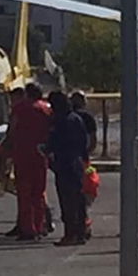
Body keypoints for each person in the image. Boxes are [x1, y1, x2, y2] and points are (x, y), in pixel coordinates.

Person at [46, 91, 88, 246]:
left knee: (67, 200)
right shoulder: (76, 118)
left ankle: (70, 234)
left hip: (64, 163)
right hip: (77, 162)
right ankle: (81, 232)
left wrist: (47, 149)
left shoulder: (61, 121)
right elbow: (84, 140)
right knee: (78, 199)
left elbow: (56, 142)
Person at [11, 83, 52, 241]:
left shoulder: (20, 108)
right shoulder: (46, 109)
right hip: (40, 154)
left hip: (22, 154)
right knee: (39, 192)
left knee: (24, 193)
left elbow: (13, 129)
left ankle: (28, 229)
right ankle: (40, 225)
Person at [70, 91, 99, 239]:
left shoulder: (67, 117)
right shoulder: (87, 117)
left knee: (73, 193)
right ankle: (84, 223)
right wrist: (87, 153)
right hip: (83, 159)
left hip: (70, 159)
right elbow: (93, 140)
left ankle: (79, 223)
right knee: (87, 190)